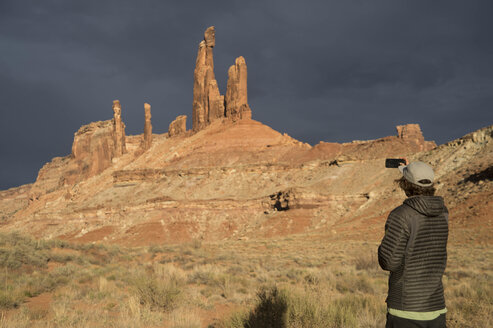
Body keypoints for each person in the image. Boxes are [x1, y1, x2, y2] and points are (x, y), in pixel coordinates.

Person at [378, 161, 449, 328]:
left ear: (405, 184)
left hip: (406, 307)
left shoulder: (401, 214)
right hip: (436, 306)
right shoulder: (443, 212)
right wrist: (415, 170)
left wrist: (382, 248)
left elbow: (389, 262)